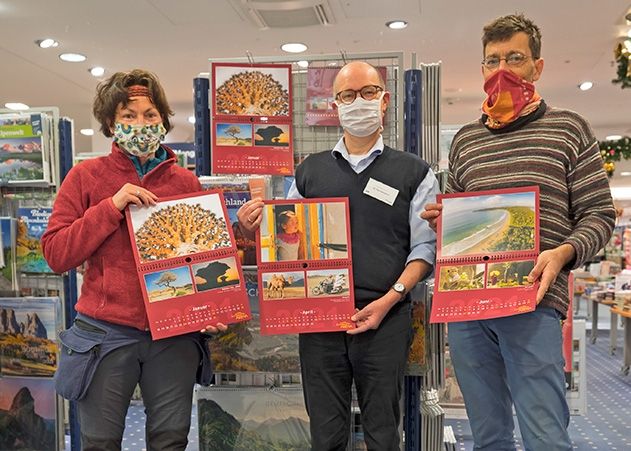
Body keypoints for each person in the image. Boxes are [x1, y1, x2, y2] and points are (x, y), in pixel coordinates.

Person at [422, 14, 615, 451]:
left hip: (535, 302)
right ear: (483, 69)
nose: (503, 69)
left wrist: (563, 252)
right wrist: (444, 221)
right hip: (469, 308)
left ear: (537, 67)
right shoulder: (467, 141)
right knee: (487, 436)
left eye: (515, 58)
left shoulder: (569, 129)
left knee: (544, 434)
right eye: (493, 60)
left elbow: (600, 215)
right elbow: (453, 211)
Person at [238, 61, 439, 451]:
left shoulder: (413, 172)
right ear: (335, 104)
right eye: (347, 95)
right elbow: (284, 243)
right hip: (319, 320)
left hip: (385, 318)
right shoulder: (309, 172)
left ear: (385, 100)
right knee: (325, 433)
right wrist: (254, 228)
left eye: (367, 92)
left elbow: (424, 249)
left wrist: (390, 298)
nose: (357, 102)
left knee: (383, 431)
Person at [41, 69, 226, 451]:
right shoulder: (85, 177)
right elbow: (56, 254)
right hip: (105, 334)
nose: (141, 124)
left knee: (171, 439)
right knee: (100, 441)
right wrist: (110, 207)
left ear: (162, 120)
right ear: (111, 123)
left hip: (173, 335)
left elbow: (200, 258)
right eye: (129, 116)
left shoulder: (184, 183)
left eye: (150, 115)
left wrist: (210, 306)